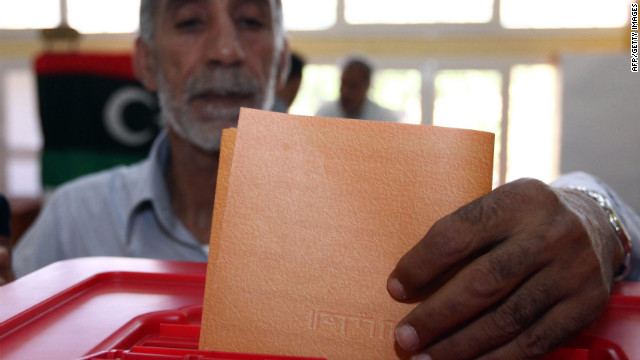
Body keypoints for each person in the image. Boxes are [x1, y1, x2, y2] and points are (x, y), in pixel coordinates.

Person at [6, 1, 640, 359]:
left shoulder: (396, 200)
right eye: (191, 21)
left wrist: (595, 213)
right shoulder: (73, 220)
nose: (227, 51)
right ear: (146, 62)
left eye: (252, 22)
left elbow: (554, 240)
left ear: (283, 65)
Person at [316, 56, 399, 122]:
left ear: (367, 86)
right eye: (343, 84)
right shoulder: (323, 115)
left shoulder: (385, 120)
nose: (346, 92)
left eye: (353, 86)